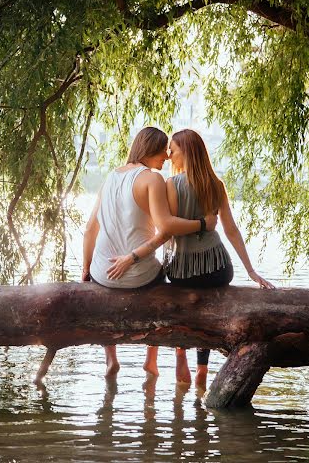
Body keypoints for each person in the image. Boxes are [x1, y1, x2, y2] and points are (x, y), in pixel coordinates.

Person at [109, 129, 274, 389]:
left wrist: (134, 256)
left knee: (177, 291)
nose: (169, 154)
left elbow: (166, 233)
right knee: (204, 302)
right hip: (218, 270)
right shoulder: (216, 185)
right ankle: (202, 368)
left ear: (186, 152)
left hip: (182, 272)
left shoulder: (171, 185)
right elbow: (230, 230)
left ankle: (180, 354)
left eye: (173, 149)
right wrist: (251, 271)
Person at [82, 126, 217, 378]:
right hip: (138, 275)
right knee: (165, 275)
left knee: (107, 282)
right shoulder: (152, 179)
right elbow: (165, 228)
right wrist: (202, 224)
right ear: (150, 150)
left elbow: (90, 229)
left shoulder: (109, 177)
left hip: (102, 273)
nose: (167, 157)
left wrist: (86, 268)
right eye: (162, 151)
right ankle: (151, 360)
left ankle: (111, 360)